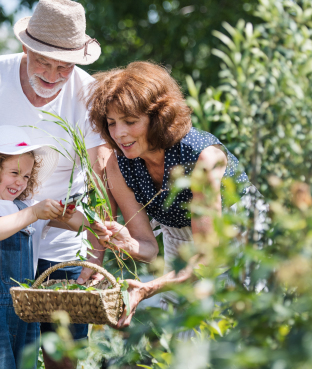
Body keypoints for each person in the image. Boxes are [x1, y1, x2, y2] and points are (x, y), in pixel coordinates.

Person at [0, 0, 109, 367]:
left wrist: (97, 251)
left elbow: (102, 175)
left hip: (64, 247)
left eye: (63, 68)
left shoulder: (88, 93)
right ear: (25, 47)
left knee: (61, 356)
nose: (51, 76)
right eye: (43, 63)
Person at [78, 61, 252, 328]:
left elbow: (208, 258)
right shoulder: (120, 163)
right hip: (180, 240)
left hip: (239, 236)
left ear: (158, 117)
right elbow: (148, 249)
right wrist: (125, 241)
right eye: (111, 123)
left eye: (130, 121)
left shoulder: (201, 157)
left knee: (238, 328)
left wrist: (149, 288)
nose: (120, 133)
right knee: (183, 332)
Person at [0, 125, 89, 369]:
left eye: (26, 176)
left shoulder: (28, 208)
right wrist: (34, 212)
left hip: (25, 313)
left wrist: (66, 213)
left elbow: (82, 224)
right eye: (14, 173)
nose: (20, 181)